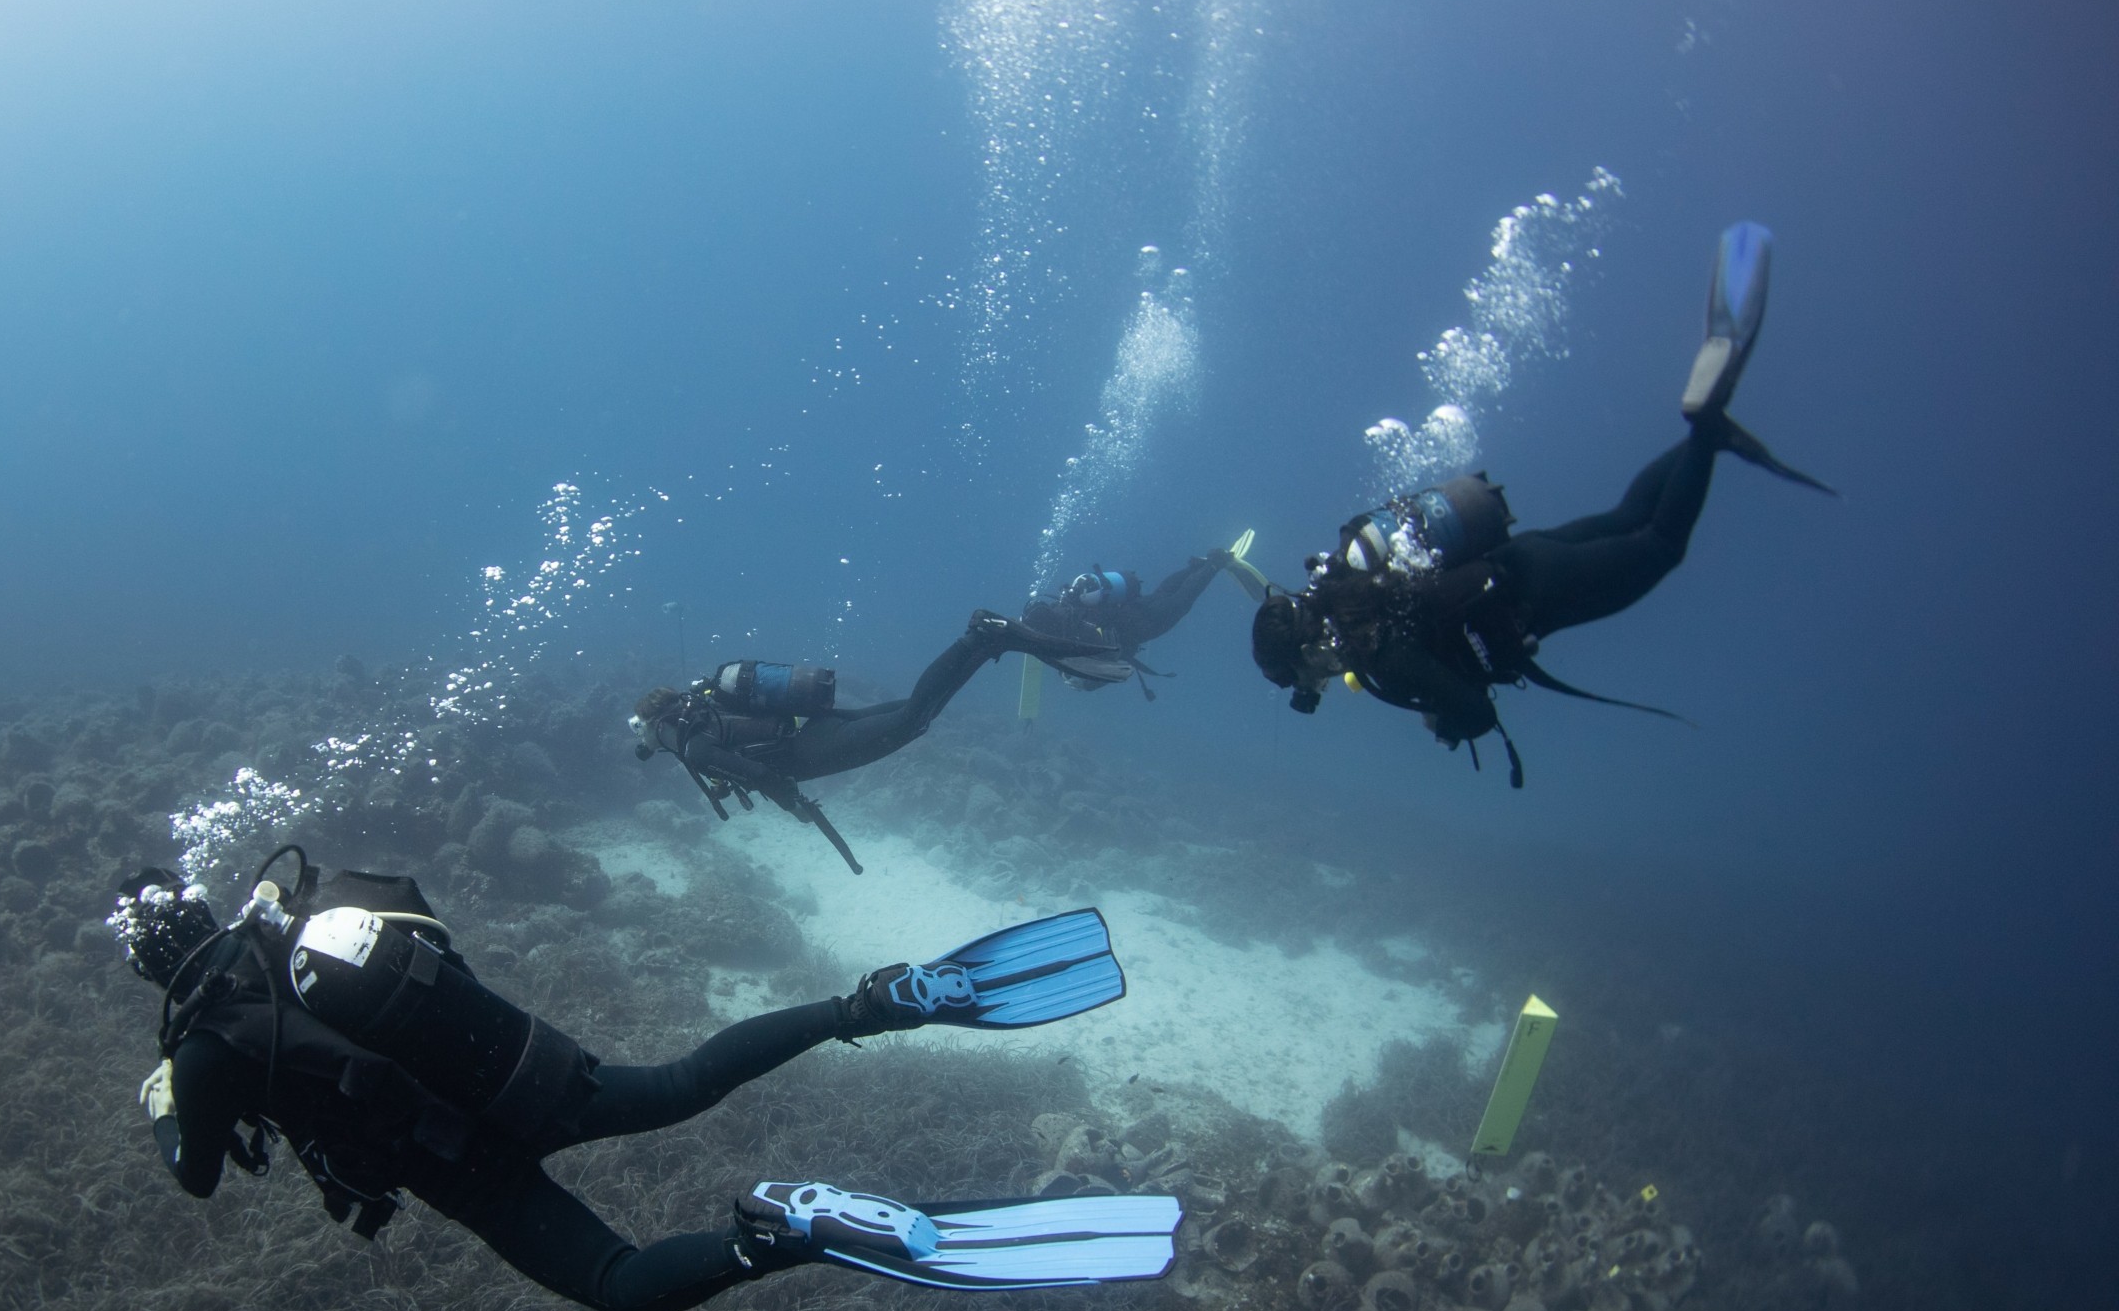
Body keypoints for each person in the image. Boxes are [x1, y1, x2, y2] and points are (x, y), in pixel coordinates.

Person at [110, 854, 1165, 1311]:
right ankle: (868, 1004)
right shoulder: (310, 919)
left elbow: (196, 1175)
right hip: (531, 1074)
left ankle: (783, 1232)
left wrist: (165, 1102)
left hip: (463, 1166)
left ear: (152, 965)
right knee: (686, 1081)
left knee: (620, 1285)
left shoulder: (201, 1048)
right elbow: (432, 929)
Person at [1248, 222, 1833, 786]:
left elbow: (1476, 713)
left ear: (1304, 648)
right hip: (1520, 558)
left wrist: (1442, 720)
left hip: (1536, 597)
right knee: (1628, 517)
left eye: (1298, 675)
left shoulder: (1378, 655)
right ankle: (1706, 438)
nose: (1312, 685)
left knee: (1661, 546)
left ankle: (1704, 427)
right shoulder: (1347, 584)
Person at [631, 609, 1109, 871]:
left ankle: (978, 639)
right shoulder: (703, 707)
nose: (648, 742)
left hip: (810, 751)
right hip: (815, 726)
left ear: (655, 726)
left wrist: (795, 807)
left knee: (913, 720)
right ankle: (988, 646)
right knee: (915, 715)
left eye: (644, 732)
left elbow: (759, 774)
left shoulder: (695, 747)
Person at [1019, 550, 1232, 697]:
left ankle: (1215, 564)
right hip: (1129, 606)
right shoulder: (1062, 609)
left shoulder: (1070, 639)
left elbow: (1112, 662)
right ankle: (1196, 567)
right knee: (1162, 593)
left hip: (1141, 627)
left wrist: (1085, 682)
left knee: (1179, 602)